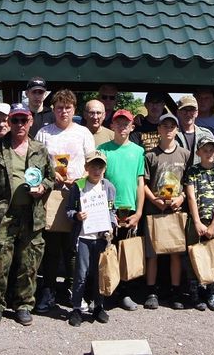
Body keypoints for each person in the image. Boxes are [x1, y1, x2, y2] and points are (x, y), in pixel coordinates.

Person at [0, 104, 55, 327]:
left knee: (28, 263)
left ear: (31, 121)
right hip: (3, 215)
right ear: (9, 122)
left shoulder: (39, 149)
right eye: (15, 120)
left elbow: (50, 177)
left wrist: (43, 187)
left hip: (32, 215)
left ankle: (23, 305)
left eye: (24, 120)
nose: (20, 125)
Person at [35, 89, 95, 313]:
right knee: (51, 248)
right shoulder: (44, 133)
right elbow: (35, 163)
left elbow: (93, 162)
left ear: (74, 109)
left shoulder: (83, 133)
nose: (63, 112)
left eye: (68, 108)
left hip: (77, 195)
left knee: (73, 249)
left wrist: (82, 177)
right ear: (53, 109)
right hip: (52, 195)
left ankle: (74, 292)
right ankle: (48, 291)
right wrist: (51, 174)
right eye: (59, 107)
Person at [98, 109, 145, 311]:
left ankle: (125, 293)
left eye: (126, 123)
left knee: (126, 254)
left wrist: (139, 212)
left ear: (132, 127)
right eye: (118, 123)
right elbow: (97, 180)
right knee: (107, 252)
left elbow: (139, 183)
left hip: (129, 209)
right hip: (108, 210)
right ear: (112, 126)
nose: (122, 126)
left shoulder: (138, 151)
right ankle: (107, 290)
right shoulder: (103, 149)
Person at [143, 113, 190, 310]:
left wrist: (182, 198)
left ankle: (175, 291)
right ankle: (151, 291)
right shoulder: (150, 155)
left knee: (175, 252)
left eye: (172, 126)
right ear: (159, 130)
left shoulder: (185, 154)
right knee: (153, 253)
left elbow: (189, 182)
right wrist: (154, 199)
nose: (169, 129)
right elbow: (143, 183)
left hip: (175, 210)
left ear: (177, 130)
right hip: (155, 210)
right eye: (165, 126)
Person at [66, 150, 117, 326]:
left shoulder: (108, 187)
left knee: (99, 274)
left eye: (100, 166)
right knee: (80, 274)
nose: (97, 170)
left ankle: (98, 306)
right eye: (93, 166)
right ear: (86, 167)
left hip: (101, 238)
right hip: (83, 237)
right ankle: (76, 309)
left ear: (104, 168)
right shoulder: (78, 186)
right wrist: (76, 215)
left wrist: (111, 225)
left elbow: (112, 211)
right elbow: (69, 210)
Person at [184, 136, 214, 311]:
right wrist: (197, 222)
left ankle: (211, 293)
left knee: (213, 255)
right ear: (198, 152)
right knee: (194, 254)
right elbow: (191, 196)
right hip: (197, 220)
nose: (209, 154)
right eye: (205, 150)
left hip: (213, 220)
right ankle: (194, 292)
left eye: (212, 150)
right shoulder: (193, 171)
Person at [174, 95, 214, 163]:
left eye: (192, 110)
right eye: (184, 110)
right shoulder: (171, 135)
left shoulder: (206, 134)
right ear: (178, 112)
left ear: (197, 113)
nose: (188, 114)